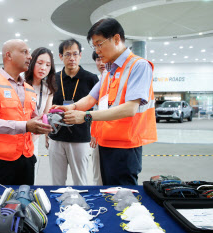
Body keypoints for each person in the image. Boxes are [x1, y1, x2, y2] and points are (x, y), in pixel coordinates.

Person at [54, 18, 157, 185]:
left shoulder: (139, 66)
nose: (97, 50)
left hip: (126, 147)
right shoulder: (108, 72)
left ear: (116, 39)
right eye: (94, 46)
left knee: (123, 199)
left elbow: (130, 109)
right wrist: (69, 107)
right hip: (105, 143)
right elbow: (90, 98)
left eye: (99, 44)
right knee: (106, 193)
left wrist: (85, 116)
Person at [0, 39, 52, 185]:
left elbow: (31, 118)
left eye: (29, 53)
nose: (30, 57)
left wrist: (51, 118)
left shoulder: (28, 88)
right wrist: (25, 126)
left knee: (25, 203)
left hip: (26, 159)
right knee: (1, 205)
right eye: (25, 52)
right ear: (9, 56)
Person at [48, 39, 98, 186]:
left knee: (80, 181)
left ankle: (80, 208)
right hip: (56, 137)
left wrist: (94, 132)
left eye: (75, 54)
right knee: (57, 182)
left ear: (80, 55)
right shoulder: (52, 79)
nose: (72, 58)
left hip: (80, 137)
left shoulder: (91, 79)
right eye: (67, 54)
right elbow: (47, 108)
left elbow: (97, 108)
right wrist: (46, 133)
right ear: (60, 56)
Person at [24, 47, 56, 159]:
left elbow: (45, 116)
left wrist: (40, 136)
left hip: (34, 138)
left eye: (47, 65)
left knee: (31, 172)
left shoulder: (48, 89)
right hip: (16, 136)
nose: (43, 68)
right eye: (40, 63)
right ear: (32, 63)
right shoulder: (20, 84)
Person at [90, 51, 106, 185]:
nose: (101, 63)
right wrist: (94, 133)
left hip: (118, 138)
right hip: (99, 135)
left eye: (103, 59)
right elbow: (96, 110)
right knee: (98, 175)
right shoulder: (100, 80)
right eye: (97, 59)